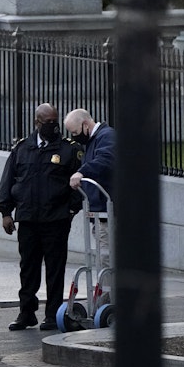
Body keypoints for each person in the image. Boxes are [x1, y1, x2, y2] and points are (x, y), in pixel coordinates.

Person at [0, 103, 83, 331]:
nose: (53, 126)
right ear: (37, 122)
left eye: (56, 121)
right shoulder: (22, 149)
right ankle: (27, 313)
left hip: (55, 219)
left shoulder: (68, 149)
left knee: (55, 269)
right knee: (28, 268)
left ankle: (52, 314)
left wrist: (71, 211)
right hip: (27, 219)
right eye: (48, 122)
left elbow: (79, 183)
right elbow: (8, 181)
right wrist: (6, 212)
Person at [64, 108, 116, 289]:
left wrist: (81, 172)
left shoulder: (106, 136)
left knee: (106, 259)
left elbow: (106, 160)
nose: (74, 137)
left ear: (86, 125)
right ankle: (108, 299)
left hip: (107, 211)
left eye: (75, 132)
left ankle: (109, 301)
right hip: (100, 211)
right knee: (103, 258)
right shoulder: (94, 141)